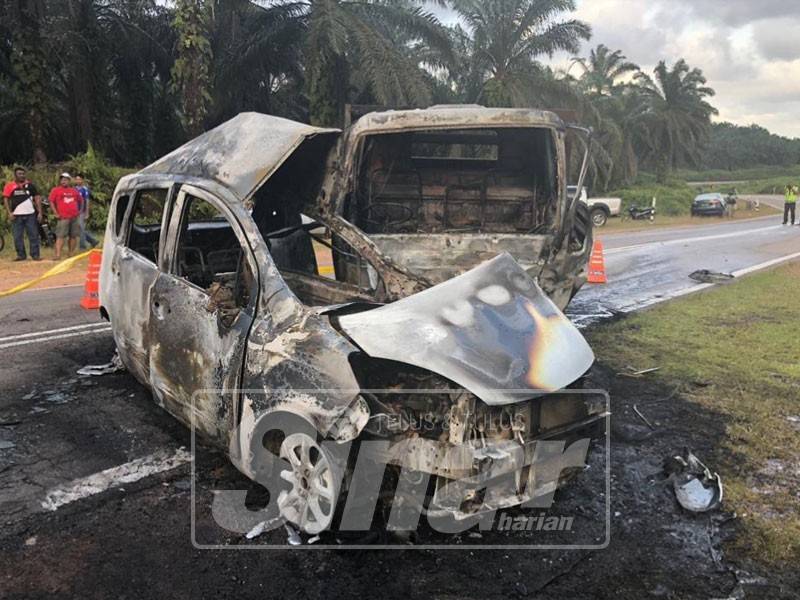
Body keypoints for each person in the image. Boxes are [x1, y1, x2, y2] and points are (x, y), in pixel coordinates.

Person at [2, 166, 42, 261]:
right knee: (17, 236)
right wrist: (9, 213)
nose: (22, 175)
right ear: (15, 175)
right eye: (19, 174)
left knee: (33, 235)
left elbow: (37, 198)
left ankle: (35, 255)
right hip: (16, 215)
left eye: (23, 174)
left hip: (30, 214)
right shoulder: (9, 186)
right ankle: (21, 255)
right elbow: (6, 199)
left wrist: (40, 212)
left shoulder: (30, 185)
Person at [49, 173, 83, 259]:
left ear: (69, 181)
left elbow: (81, 200)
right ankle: (58, 255)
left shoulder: (74, 190)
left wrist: (80, 211)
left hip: (74, 217)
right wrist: (55, 213)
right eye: (62, 179)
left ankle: (70, 253)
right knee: (60, 236)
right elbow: (51, 202)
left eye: (66, 179)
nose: (63, 181)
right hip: (63, 217)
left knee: (73, 236)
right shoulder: (56, 190)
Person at [74, 174, 98, 249]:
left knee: (81, 228)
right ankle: (93, 240)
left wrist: (87, 213)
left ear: (82, 180)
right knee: (79, 229)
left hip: (82, 211)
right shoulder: (74, 189)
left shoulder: (85, 189)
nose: (78, 181)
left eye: (79, 179)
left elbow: (87, 201)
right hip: (75, 211)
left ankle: (82, 246)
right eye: (76, 179)